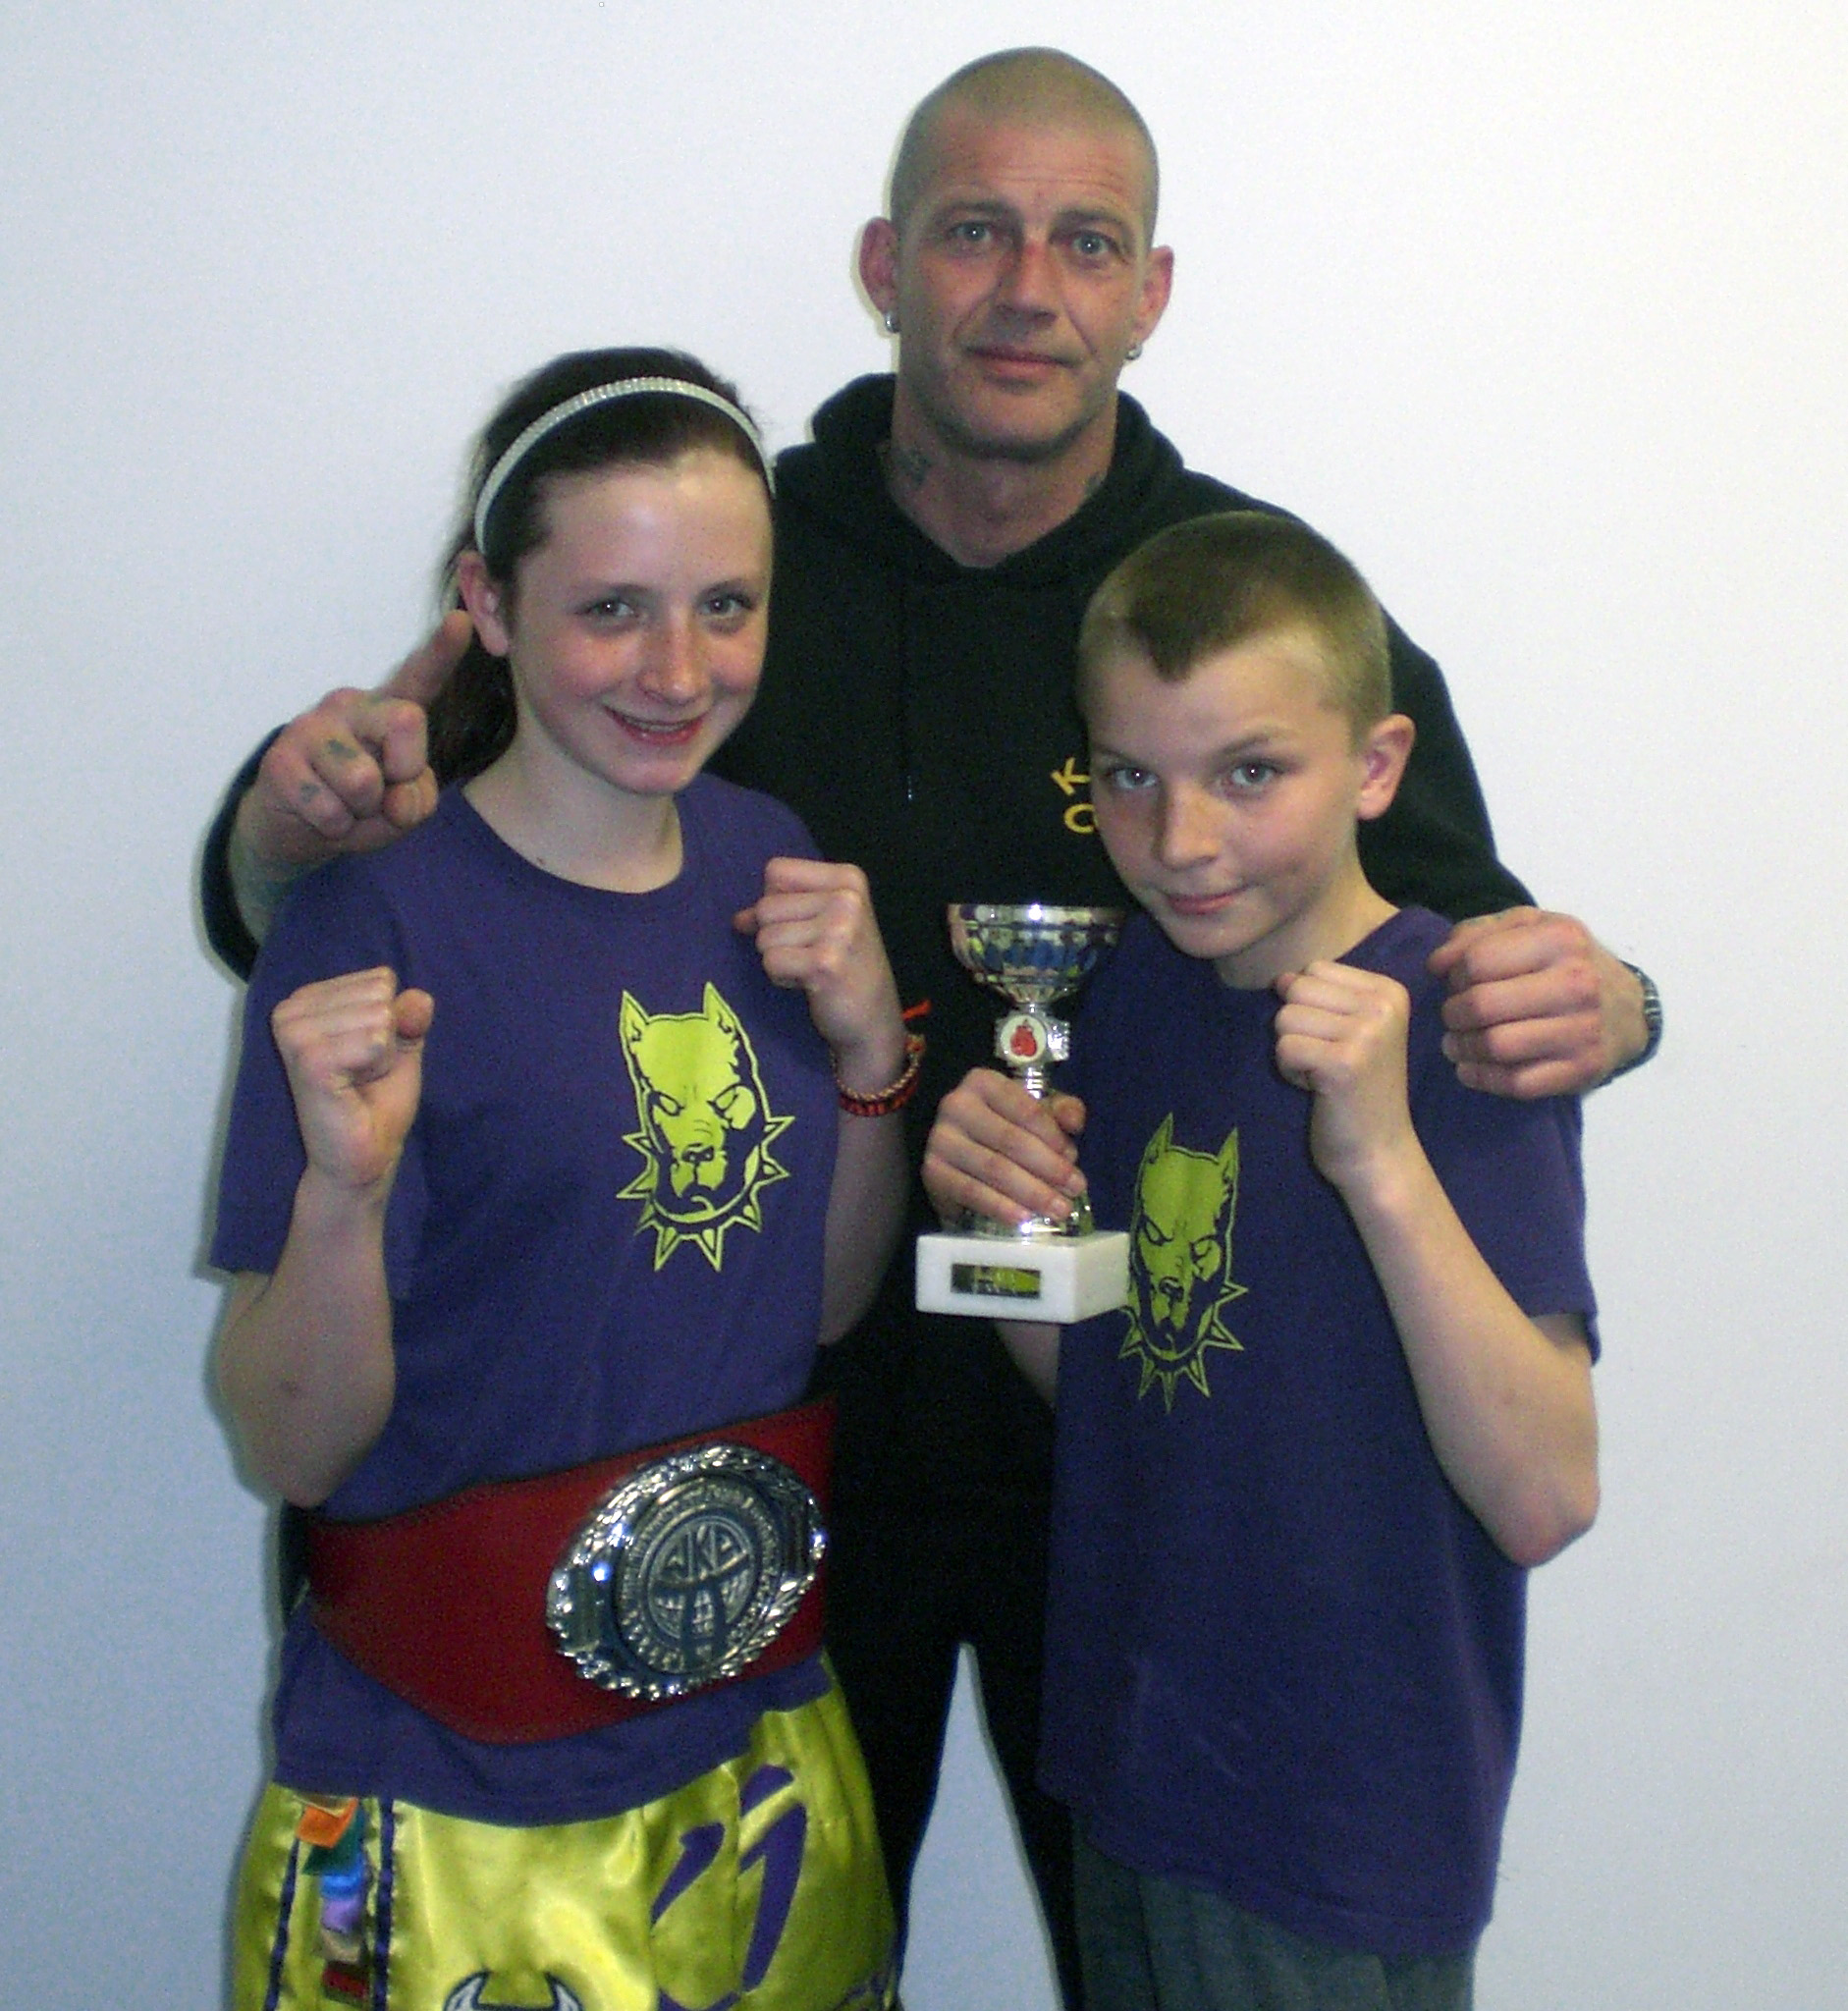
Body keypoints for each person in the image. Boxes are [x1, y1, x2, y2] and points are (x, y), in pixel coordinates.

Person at [196, 49, 1657, 2006]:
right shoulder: (720, 559)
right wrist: (267, 830)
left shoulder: (1237, 612)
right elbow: (372, 847)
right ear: (886, 262)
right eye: (973, 230)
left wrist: (1624, 1002)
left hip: (1128, 1464)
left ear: (1150, 291)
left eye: (1083, 242)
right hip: (766, 1467)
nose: (1022, 287)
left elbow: (1455, 958)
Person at [209, 347, 911, 2011]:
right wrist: (342, 1196)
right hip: (448, 1794)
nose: (678, 670)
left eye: (727, 607)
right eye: (614, 609)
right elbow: (287, 1442)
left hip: (755, 1763)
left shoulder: (767, 863)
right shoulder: (372, 919)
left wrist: (873, 1056)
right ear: (489, 605)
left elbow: (809, 1307)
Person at [921, 509, 1601, 2010]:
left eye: (1249, 775)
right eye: (1128, 779)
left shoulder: (1459, 1024)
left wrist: (1379, 1160)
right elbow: (1126, 1386)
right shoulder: (1134, 998)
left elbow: (1545, 1492)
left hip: (1334, 1827)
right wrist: (1012, 1235)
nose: (1180, 841)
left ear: (1373, 766)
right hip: (1128, 1771)